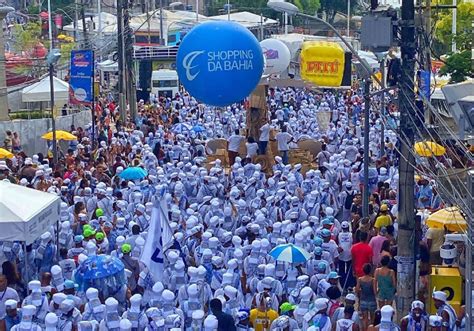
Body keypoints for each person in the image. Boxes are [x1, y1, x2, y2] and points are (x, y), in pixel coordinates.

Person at [355, 264, 377, 331]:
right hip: (372, 300)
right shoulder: (373, 280)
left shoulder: (360, 279)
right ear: (370, 271)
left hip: (363, 300)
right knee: (373, 319)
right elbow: (375, 292)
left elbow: (357, 289)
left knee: (365, 319)